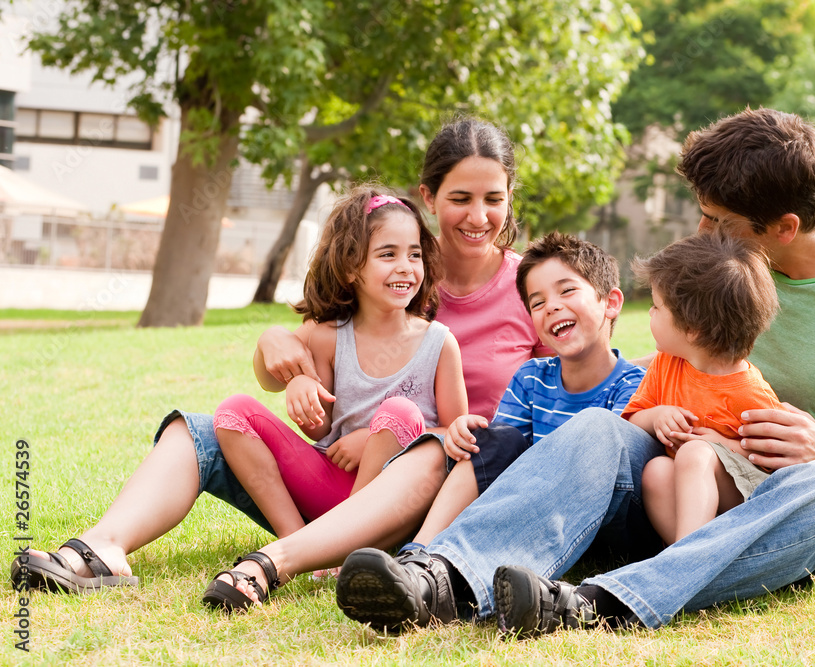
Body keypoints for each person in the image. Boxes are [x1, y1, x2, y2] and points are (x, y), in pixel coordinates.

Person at [334, 107, 815, 636]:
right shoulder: (716, 267)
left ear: (784, 227)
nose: (701, 231)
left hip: (788, 513)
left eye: (717, 221)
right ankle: (441, 577)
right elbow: (665, 363)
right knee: (600, 427)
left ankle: (598, 603)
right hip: (684, 495)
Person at [12, 118, 548, 603]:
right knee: (200, 431)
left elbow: (575, 377)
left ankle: (312, 554)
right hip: (331, 475)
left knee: (405, 426)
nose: (478, 217)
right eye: (461, 198)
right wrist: (273, 341)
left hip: (438, 486)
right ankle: (104, 547)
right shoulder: (392, 256)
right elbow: (306, 349)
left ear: (509, 199)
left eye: (493, 199)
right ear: (429, 197)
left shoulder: (532, 289)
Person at [334, 233, 645, 624]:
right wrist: (467, 431)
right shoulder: (532, 377)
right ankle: (420, 553)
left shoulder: (632, 384)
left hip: (601, 515)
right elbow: (503, 455)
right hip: (534, 503)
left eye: (567, 291)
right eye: (538, 302)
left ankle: (444, 575)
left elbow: (604, 467)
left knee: (590, 435)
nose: (552, 307)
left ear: (611, 303)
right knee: (490, 440)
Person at [200, 188, 468, 610]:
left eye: (414, 255)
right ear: (349, 268)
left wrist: (375, 437)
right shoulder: (325, 335)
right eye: (388, 254)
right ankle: (297, 546)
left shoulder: (439, 343)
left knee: (400, 412)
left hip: (393, 503)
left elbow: (457, 436)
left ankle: (347, 546)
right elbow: (301, 410)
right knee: (233, 412)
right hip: (328, 488)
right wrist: (298, 383)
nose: (405, 267)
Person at [624, 233, 783, 547]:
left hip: (743, 506)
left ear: (693, 330)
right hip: (691, 504)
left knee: (696, 452)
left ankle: (688, 562)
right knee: (656, 469)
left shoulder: (750, 393)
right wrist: (655, 416)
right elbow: (631, 421)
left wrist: (723, 445)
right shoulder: (666, 365)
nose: (650, 313)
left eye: (657, 307)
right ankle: (690, 554)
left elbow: (777, 461)